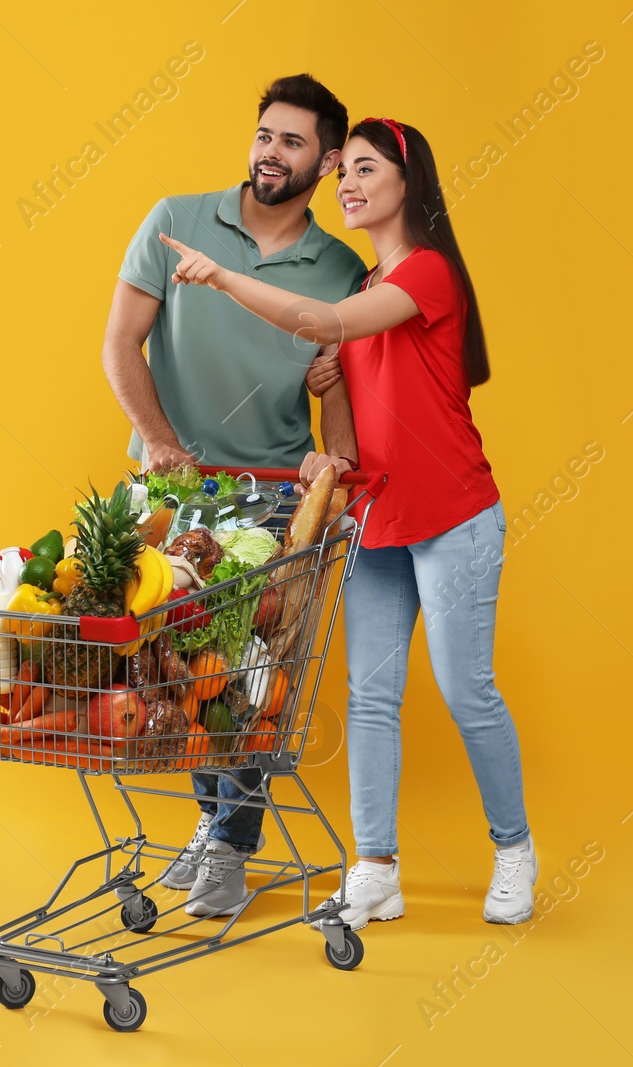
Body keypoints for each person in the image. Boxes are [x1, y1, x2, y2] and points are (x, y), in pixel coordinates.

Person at [159, 116, 537, 926]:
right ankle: (375, 867)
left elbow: (322, 324)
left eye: (366, 169)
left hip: (456, 517)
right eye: (344, 173)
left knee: (466, 689)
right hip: (379, 519)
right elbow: (358, 423)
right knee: (371, 696)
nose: (349, 184)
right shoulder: (365, 290)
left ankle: (514, 849)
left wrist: (223, 279)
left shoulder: (427, 274)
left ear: (409, 184)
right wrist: (329, 434)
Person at [103, 74, 367, 918]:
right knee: (181, 674)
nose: (269, 153)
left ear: (326, 162)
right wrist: (164, 445)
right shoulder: (174, 220)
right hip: (174, 492)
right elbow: (118, 345)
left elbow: (339, 397)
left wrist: (336, 458)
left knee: (249, 680)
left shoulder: (341, 268)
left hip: (272, 499)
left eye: (292, 143)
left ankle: (229, 843)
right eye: (264, 135)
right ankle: (217, 822)